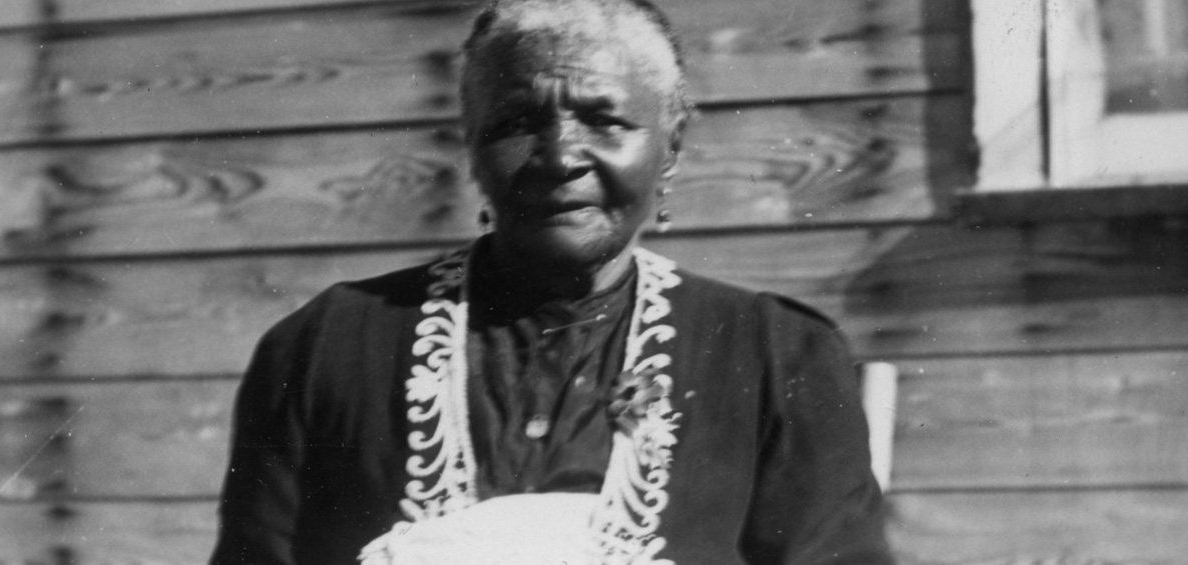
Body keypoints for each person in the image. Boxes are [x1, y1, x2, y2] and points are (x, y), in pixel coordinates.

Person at [207, 0, 891, 562]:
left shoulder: (777, 357)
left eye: (604, 119)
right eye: (517, 122)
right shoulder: (324, 347)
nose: (561, 155)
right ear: (471, 143)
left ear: (670, 145)